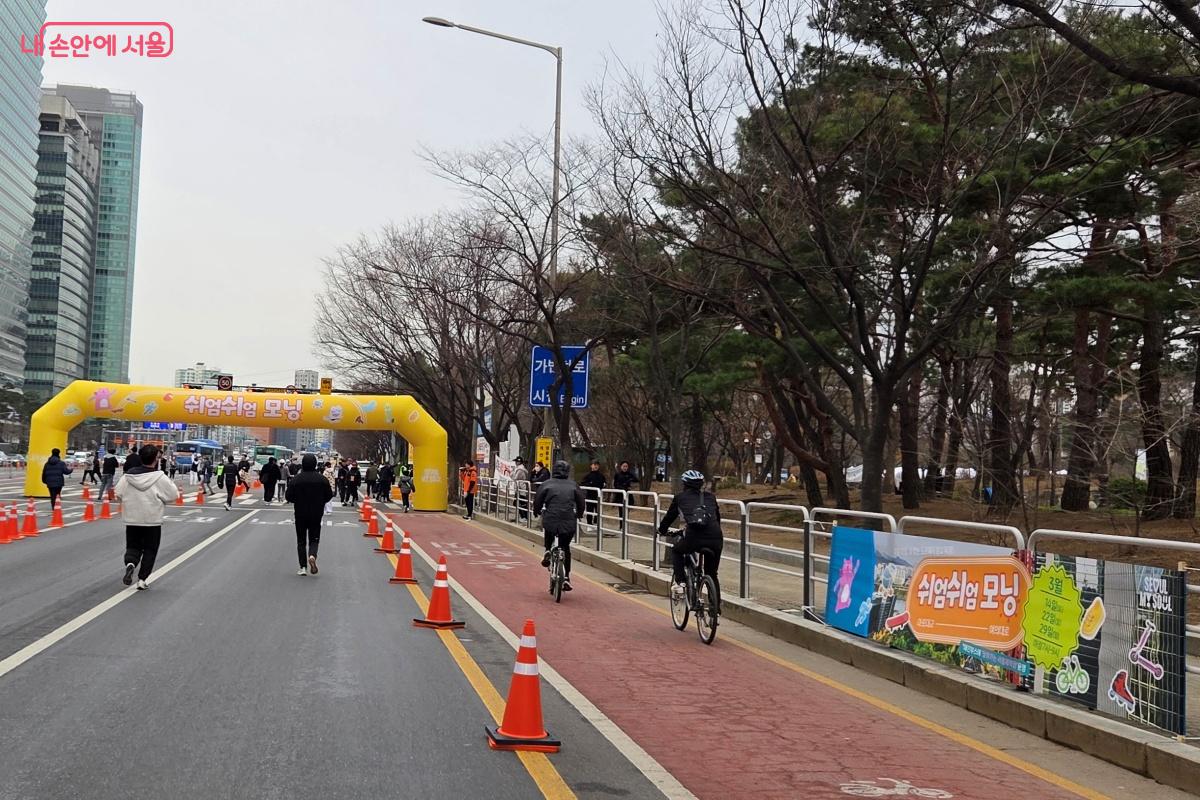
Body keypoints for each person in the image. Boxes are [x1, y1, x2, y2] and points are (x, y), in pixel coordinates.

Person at [114, 444, 180, 590]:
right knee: (150, 549)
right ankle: (142, 579)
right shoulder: (159, 477)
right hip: (152, 519)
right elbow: (173, 495)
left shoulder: (128, 476)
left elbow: (117, 493)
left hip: (132, 518)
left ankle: (130, 563)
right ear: (155, 459)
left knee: (133, 545)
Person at [657, 469, 723, 606]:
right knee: (712, 573)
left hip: (694, 537)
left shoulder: (680, 498)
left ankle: (680, 583)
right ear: (701, 484)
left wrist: (661, 530)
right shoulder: (711, 497)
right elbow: (717, 517)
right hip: (716, 538)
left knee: (677, 551)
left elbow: (669, 517)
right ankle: (715, 606)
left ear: (684, 484)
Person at [534, 461, 584, 592]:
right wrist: (579, 514)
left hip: (551, 517)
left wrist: (537, 511)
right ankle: (566, 577)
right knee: (565, 547)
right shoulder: (573, 485)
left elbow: (538, 499)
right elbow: (581, 501)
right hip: (568, 519)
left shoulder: (546, 484)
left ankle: (547, 551)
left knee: (549, 532)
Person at [286, 454, 335, 576]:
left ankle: (303, 567)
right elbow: (329, 495)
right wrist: (320, 501)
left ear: (303, 464)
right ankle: (312, 555)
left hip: (300, 513)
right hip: (316, 513)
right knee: (314, 538)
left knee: (301, 540)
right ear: (315, 464)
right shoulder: (322, 479)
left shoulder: (296, 479)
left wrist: (298, 500)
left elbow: (288, 496)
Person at [580, 460, 607, 528]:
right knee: (590, 510)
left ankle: (597, 524)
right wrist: (589, 484)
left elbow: (604, 483)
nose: (595, 466)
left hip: (598, 496)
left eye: (597, 464)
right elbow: (582, 483)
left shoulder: (601, 475)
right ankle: (589, 525)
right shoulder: (588, 476)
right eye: (594, 464)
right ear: (591, 466)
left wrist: (604, 485)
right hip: (590, 496)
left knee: (598, 510)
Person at [613, 460, 638, 524]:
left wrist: (630, 479)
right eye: (624, 466)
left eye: (626, 466)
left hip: (628, 494)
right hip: (620, 495)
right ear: (621, 467)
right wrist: (622, 488)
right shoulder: (617, 474)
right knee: (621, 511)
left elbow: (636, 480)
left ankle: (625, 525)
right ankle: (621, 526)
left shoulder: (629, 474)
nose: (625, 468)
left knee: (627, 510)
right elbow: (615, 484)